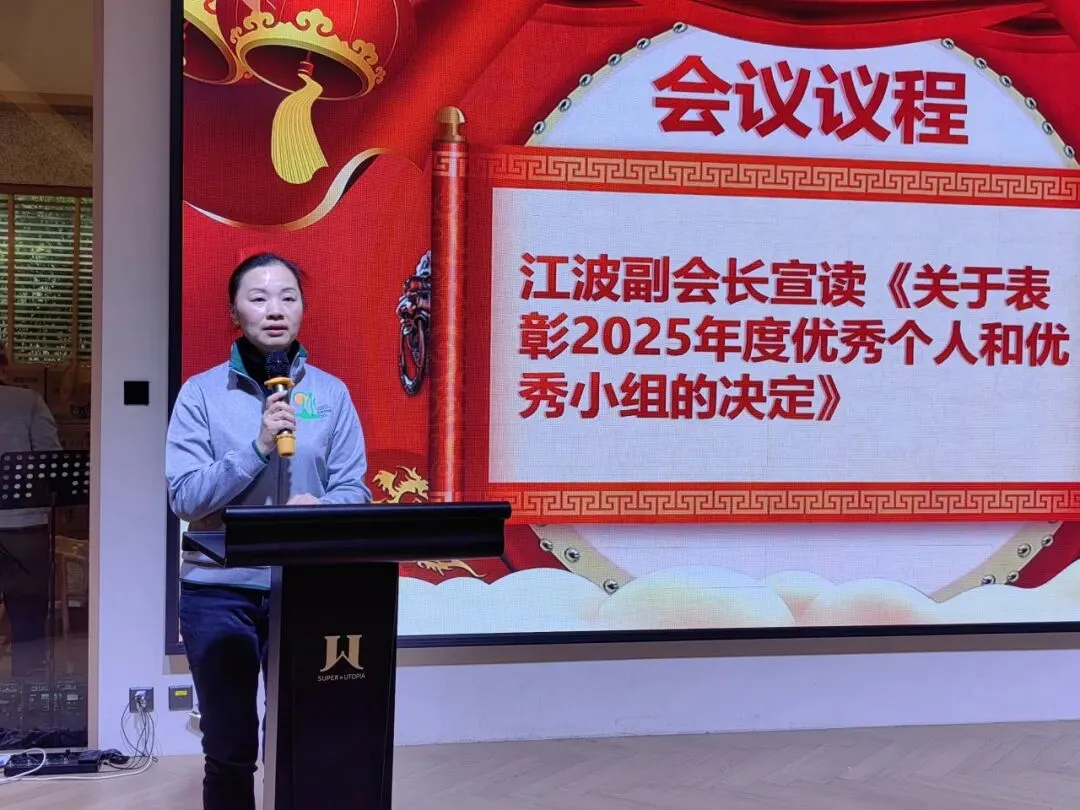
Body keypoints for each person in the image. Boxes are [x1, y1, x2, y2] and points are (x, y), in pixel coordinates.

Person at [165, 252, 371, 810]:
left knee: (309, 737)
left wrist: (322, 507)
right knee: (230, 746)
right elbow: (185, 496)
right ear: (234, 312)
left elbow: (355, 491)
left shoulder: (331, 395)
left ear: (302, 308)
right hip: (219, 591)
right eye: (258, 298)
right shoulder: (201, 394)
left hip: (307, 588)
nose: (275, 310)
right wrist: (257, 448)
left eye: (287, 297)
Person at [0, 353, 62, 680]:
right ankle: (26, 695)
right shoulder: (28, 401)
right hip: (23, 526)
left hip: (23, 526)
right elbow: (50, 460)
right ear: (3, 369)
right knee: (28, 622)